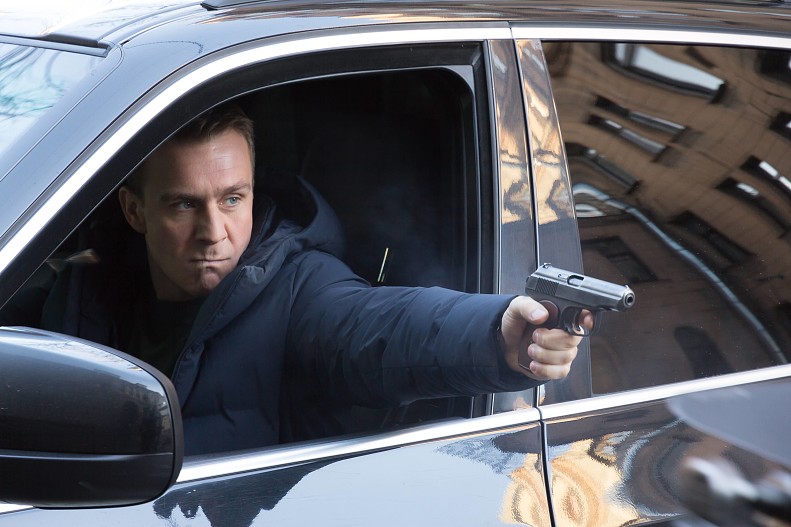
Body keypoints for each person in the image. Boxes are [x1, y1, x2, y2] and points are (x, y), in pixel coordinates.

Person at [1, 103, 584, 455]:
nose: (213, 232)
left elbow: (379, 328)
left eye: (233, 199)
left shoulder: (301, 288)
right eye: (183, 204)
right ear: (135, 211)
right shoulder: (79, 288)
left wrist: (493, 333)